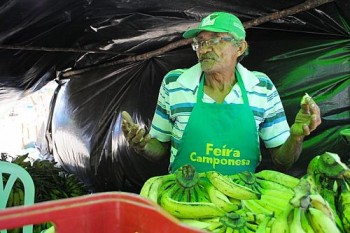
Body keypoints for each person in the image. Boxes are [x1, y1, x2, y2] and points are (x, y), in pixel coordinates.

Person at [121, 12, 321, 175]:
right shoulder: (175, 84)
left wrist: (295, 137)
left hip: (241, 201)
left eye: (216, 40)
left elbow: (282, 161)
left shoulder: (261, 87)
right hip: (183, 194)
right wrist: (144, 145)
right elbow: (159, 148)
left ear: (240, 47)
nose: (205, 49)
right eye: (200, 42)